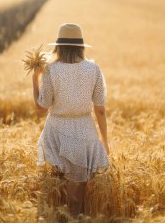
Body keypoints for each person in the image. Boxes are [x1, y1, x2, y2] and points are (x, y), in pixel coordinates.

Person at [32, 23, 110, 218]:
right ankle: (75, 217)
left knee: (56, 183)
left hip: (56, 131)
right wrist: (104, 141)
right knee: (78, 186)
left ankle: (57, 217)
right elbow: (100, 110)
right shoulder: (93, 69)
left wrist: (35, 79)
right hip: (84, 131)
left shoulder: (50, 70)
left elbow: (42, 106)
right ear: (81, 46)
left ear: (58, 46)